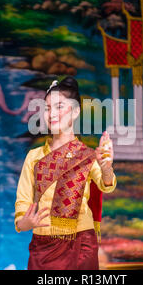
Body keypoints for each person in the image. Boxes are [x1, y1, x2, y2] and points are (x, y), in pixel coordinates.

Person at [14, 76, 117, 270]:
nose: (52, 114)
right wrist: (24, 222)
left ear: (76, 111)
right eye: (47, 108)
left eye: (59, 106)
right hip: (42, 249)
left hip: (81, 246)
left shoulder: (87, 155)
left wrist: (106, 168)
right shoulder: (34, 157)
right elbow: (22, 202)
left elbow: (106, 184)